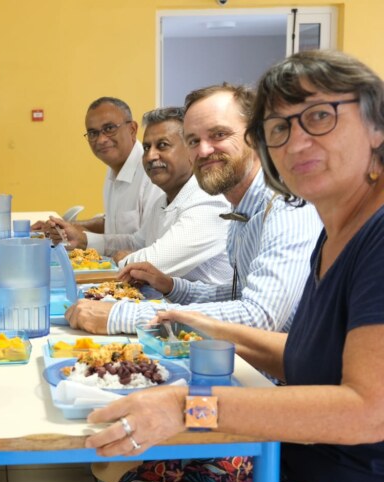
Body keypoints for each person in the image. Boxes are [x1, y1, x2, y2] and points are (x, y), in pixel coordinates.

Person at [86, 49, 384, 482]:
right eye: (279, 128)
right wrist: (192, 318)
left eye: (319, 117)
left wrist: (189, 409)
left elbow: (369, 411)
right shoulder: (334, 231)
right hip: (303, 458)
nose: (297, 141)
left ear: (376, 126)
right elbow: (305, 355)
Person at [66, 83, 323, 335]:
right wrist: (173, 287)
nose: (203, 150)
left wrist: (124, 316)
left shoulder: (288, 208)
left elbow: (260, 316)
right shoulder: (240, 209)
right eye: (193, 140)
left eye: (219, 134)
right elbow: (237, 294)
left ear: (256, 136)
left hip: (279, 376)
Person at [48, 107, 233, 284]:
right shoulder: (163, 200)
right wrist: (83, 239)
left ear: (191, 149)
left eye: (162, 145)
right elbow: (137, 242)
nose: (151, 156)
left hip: (201, 311)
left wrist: (126, 258)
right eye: (146, 148)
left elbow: (155, 262)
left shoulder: (209, 201)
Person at [33, 97, 164, 255]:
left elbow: (148, 245)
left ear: (132, 129)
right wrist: (68, 226)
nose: (101, 139)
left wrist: (82, 238)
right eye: (93, 133)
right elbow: (112, 221)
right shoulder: (114, 168)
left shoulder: (153, 174)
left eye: (109, 128)